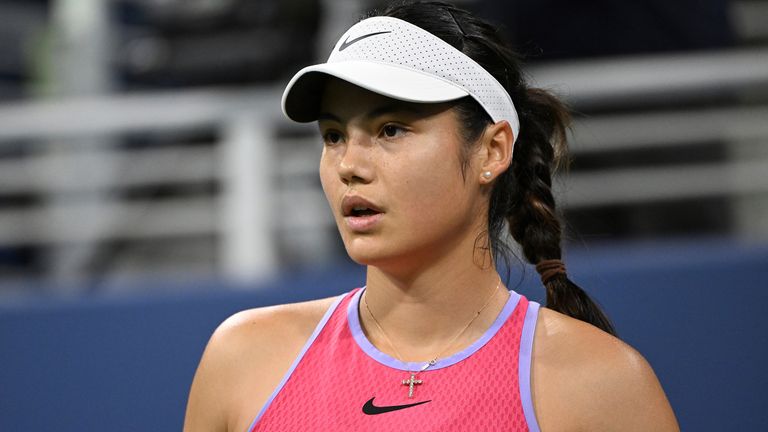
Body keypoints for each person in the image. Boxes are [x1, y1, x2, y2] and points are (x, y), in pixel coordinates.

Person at [184, 1, 679, 430]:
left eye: (391, 129)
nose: (349, 166)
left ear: (492, 151)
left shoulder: (603, 386)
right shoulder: (241, 360)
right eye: (333, 135)